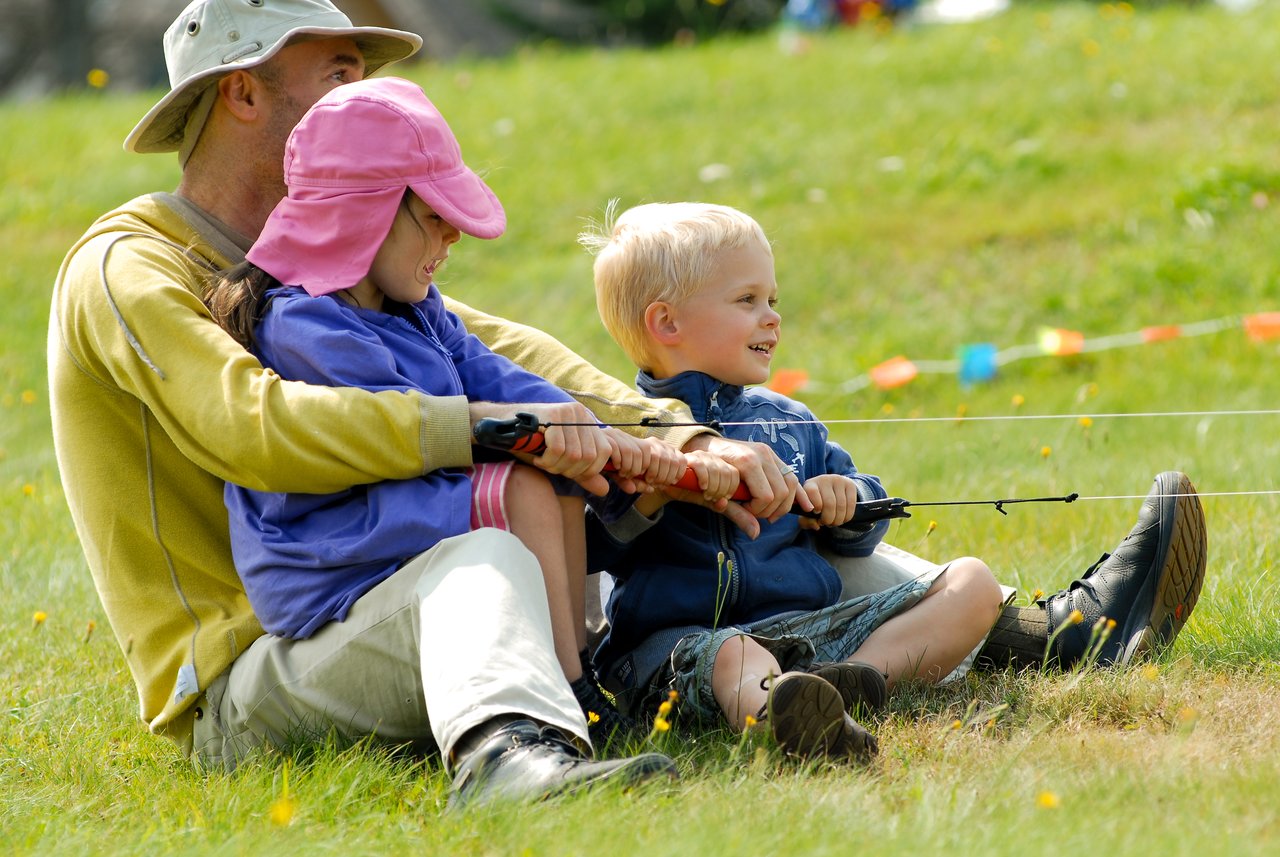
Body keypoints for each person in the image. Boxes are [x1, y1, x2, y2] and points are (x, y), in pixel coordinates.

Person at [48, 0, 1204, 801]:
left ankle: (1031, 632)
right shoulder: (129, 265)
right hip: (252, 667)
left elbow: (524, 360)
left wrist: (681, 443)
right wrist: (511, 438)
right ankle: (516, 759)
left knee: (725, 495)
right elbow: (250, 423)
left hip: (382, 609)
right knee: (489, 549)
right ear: (245, 95)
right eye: (338, 72)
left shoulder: (370, 272)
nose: (372, 87)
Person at [203, 76, 685, 745]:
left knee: (558, 469)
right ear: (365, 211)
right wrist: (552, 438)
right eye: (433, 214)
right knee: (522, 479)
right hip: (335, 556)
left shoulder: (416, 309)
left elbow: (499, 378)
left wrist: (600, 436)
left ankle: (577, 665)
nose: (452, 235)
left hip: (399, 521)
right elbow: (412, 427)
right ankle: (572, 691)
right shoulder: (306, 326)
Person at [580, 202, 1007, 757]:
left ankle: (844, 684)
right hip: (685, 647)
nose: (772, 317)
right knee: (734, 654)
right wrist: (656, 491)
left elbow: (864, 516)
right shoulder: (625, 432)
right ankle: (783, 713)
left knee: (973, 584)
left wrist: (848, 500)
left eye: (772, 300)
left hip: (811, 632)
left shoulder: (789, 420)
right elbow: (588, 546)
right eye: (747, 300)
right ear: (667, 323)